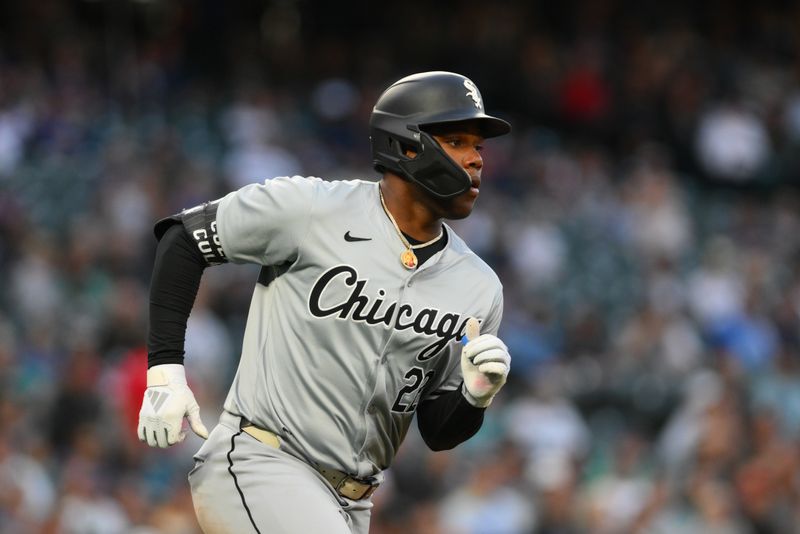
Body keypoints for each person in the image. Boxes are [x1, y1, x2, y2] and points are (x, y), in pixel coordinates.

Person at [137, 71, 512, 534]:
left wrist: (474, 397)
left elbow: (438, 431)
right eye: (458, 140)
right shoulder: (311, 208)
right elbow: (183, 239)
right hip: (262, 461)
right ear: (407, 146)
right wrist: (166, 372)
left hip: (352, 503)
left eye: (479, 147)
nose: (476, 159)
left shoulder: (478, 287)